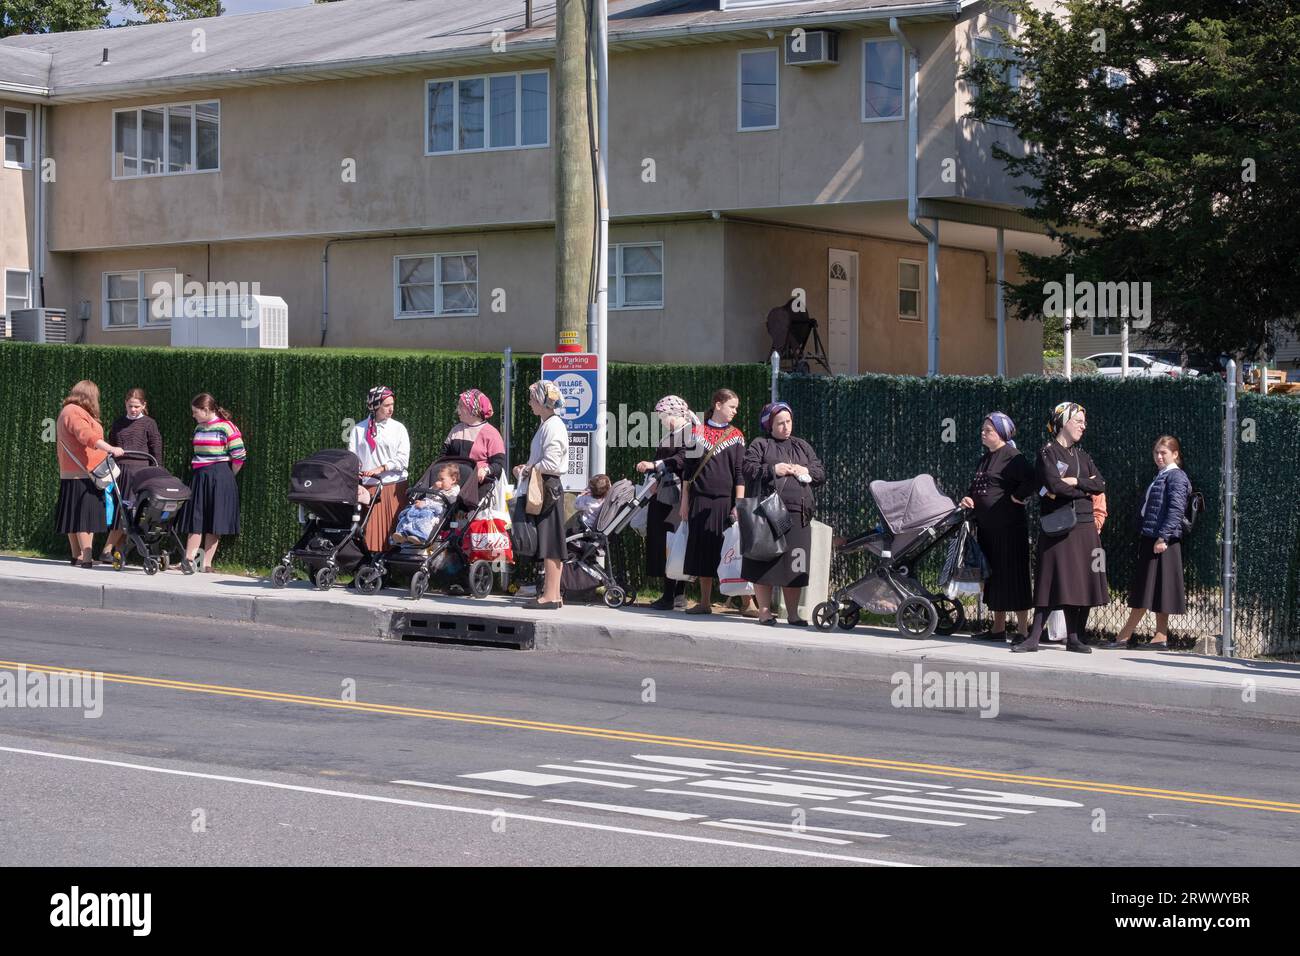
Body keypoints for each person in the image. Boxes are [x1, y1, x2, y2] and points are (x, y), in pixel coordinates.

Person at [1013, 401, 1107, 654]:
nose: (1083, 426)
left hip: (1085, 527)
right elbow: (1053, 486)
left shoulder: (1082, 456)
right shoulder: (1048, 452)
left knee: (1075, 582)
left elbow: (1100, 484)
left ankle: (1074, 638)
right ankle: (1033, 637)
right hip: (1058, 526)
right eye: (1079, 421)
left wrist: (1076, 481)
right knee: (1049, 579)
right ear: (1063, 422)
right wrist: (1081, 490)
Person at [741, 401, 825, 627]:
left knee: (794, 563)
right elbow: (747, 469)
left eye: (788, 422)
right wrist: (772, 469)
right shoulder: (760, 444)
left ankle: (793, 614)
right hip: (767, 512)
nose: (786, 427)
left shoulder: (802, 446)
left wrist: (805, 470)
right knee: (764, 561)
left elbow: (820, 473)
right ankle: (765, 613)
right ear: (769, 425)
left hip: (799, 514)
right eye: (780, 423)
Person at [958, 411, 1035, 641]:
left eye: (988, 430)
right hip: (988, 528)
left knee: (1015, 577)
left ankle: (1022, 630)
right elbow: (978, 487)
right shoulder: (985, 458)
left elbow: (1032, 479)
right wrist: (968, 499)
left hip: (1009, 529)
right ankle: (998, 629)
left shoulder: (1012, 456)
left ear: (1001, 433)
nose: (983, 433)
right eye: (983, 430)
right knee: (994, 578)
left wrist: (1016, 498)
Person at [1114, 436, 1191, 649]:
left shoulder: (1176, 476)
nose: (1158, 456)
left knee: (1144, 589)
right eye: (1156, 452)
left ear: (1175, 454)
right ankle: (1160, 636)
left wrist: (1163, 536)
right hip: (1153, 538)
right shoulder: (1162, 475)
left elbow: (1176, 509)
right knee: (1158, 589)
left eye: (1163, 453)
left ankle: (1124, 636)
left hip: (1162, 540)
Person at [674, 388, 746, 615]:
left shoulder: (737, 435)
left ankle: (747, 603)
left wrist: (739, 504)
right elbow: (688, 471)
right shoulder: (697, 432)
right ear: (717, 404)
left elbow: (740, 473)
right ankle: (705, 602)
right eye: (731, 406)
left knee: (732, 551)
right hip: (700, 501)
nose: (735, 411)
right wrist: (684, 501)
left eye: (736, 408)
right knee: (703, 551)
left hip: (726, 502)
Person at [636, 395, 697, 610]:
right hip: (667, 495)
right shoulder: (678, 433)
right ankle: (675, 594)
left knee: (672, 543)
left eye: (662, 416)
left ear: (672, 414)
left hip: (675, 498)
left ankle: (672, 595)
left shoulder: (688, 433)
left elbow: (682, 460)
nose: (660, 420)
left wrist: (654, 465)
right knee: (673, 543)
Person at [55, 380, 123, 568]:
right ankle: (86, 557)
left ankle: (76, 556)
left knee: (74, 516)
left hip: (73, 473)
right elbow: (86, 435)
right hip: (85, 473)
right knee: (85, 517)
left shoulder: (68, 411)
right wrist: (110, 448)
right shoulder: (74, 412)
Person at [513, 380, 568, 609]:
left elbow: (552, 463)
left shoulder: (552, 426)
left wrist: (526, 469)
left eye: (532, 399)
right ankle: (552, 594)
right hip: (547, 485)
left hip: (548, 487)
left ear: (542, 402)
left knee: (551, 541)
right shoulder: (548, 424)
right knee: (550, 541)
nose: (529, 403)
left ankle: (550, 595)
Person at [182, 393, 246, 571]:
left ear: (206, 410)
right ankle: (188, 560)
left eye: (195, 412)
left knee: (215, 518)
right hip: (199, 475)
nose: (193, 415)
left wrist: (228, 475)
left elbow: (239, 455)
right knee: (196, 518)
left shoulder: (227, 427)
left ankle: (207, 564)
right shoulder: (199, 428)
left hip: (220, 475)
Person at [101, 387, 164, 563]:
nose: (133, 410)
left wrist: (158, 472)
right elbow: (112, 445)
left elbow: (156, 449)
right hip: (120, 473)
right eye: (130, 406)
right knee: (120, 512)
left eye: (137, 406)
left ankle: (108, 550)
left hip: (140, 473)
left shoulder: (149, 423)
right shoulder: (119, 423)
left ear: (144, 405)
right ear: (125, 404)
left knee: (129, 513)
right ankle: (118, 553)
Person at [348, 385, 410, 555]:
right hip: (367, 487)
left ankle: (387, 571)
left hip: (392, 486)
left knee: (388, 534)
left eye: (392, 404)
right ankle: (365, 569)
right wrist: (357, 471)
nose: (391, 409)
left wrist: (382, 468)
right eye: (386, 405)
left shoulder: (398, 429)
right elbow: (352, 457)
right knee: (365, 532)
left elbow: (403, 459)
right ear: (375, 406)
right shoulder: (359, 429)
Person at [441, 388, 506, 485]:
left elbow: (498, 464)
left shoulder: (492, 433)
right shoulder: (455, 430)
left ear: (472, 409)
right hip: (452, 485)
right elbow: (443, 457)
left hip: (478, 486)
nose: (457, 409)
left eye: (461, 406)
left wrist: (486, 470)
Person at [391, 462, 460, 545]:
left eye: (442, 479)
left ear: (453, 480)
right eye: (438, 479)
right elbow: (428, 495)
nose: (439, 481)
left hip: (436, 511)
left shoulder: (454, 491)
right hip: (425, 505)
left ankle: (420, 536)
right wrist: (434, 488)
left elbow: (446, 503)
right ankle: (402, 533)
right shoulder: (438, 487)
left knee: (424, 514)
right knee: (408, 512)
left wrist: (426, 503)